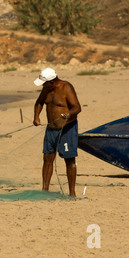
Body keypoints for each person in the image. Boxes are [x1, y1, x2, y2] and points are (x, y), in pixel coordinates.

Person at [33, 67, 81, 197]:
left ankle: (72, 193)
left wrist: (68, 114)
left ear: (52, 82)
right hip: (51, 128)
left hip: (67, 128)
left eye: (44, 83)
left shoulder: (66, 88)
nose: (43, 85)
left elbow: (77, 107)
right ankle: (45, 190)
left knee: (69, 159)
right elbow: (39, 102)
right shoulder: (47, 89)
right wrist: (36, 117)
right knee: (47, 158)